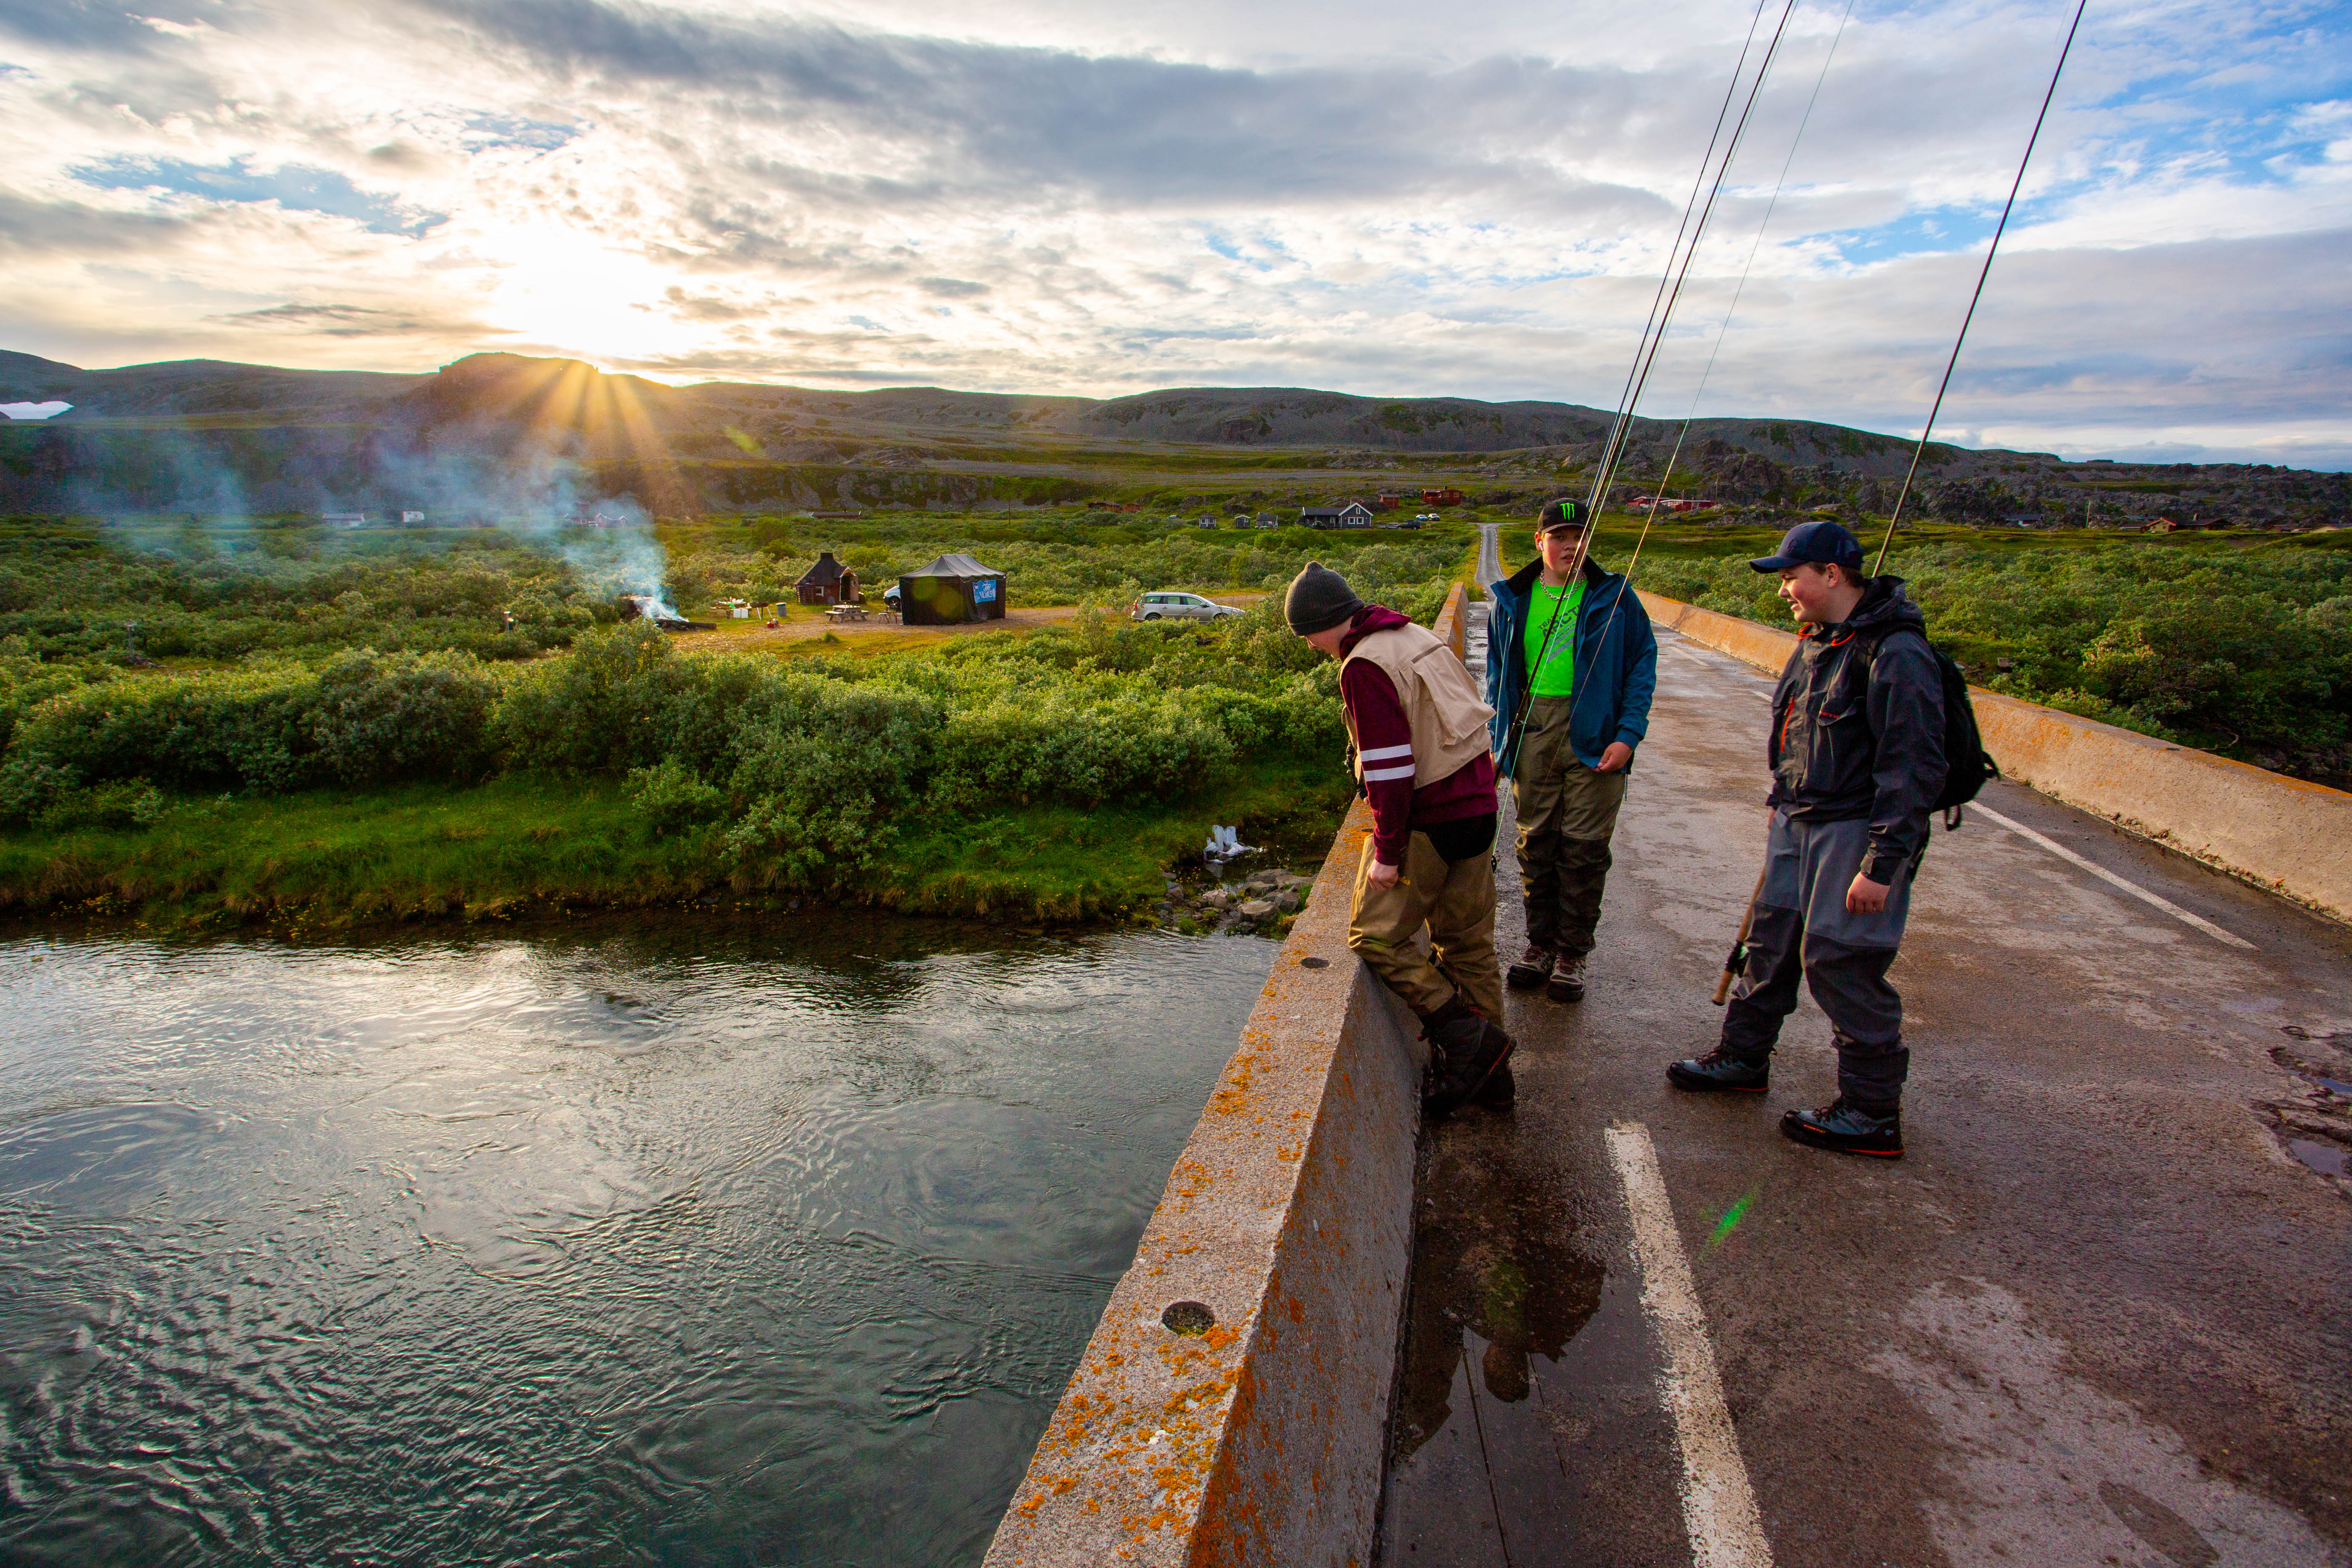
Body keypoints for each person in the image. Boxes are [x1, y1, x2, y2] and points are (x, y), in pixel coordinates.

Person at [1666, 520, 1945, 1158]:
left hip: (1852, 829)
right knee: (1770, 942)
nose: (1783, 590)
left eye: (1792, 577)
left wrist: (1883, 862)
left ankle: (1872, 1113)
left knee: (1842, 960)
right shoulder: (1817, 642)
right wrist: (1782, 803)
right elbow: (1794, 732)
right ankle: (1743, 1058)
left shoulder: (1896, 653)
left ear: (1832, 575)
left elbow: (1912, 765)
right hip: (1797, 819)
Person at [1285, 561, 1514, 1116]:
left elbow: (1389, 768)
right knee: (1469, 946)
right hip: (1478, 808)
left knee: (1374, 937)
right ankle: (1493, 1082)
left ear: (1321, 624)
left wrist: (1388, 852)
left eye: (1307, 635)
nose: (1311, 646)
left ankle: (1466, 1039)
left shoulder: (1363, 665)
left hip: (1431, 820)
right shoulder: (1414, 636)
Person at [1485, 498, 1658, 1003]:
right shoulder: (1512, 600)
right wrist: (1499, 744)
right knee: (1536, 844)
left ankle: (1571, 954)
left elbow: (1643, 664)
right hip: (1534, 733)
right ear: (1539, 541)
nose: (1571, 546)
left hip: (1597, 738)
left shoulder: (1616, 596)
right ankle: (1539, 946)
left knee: (1584, 850)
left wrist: (1628, 735)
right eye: (1559, 537)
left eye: (1580, 536)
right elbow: (1497, 677)